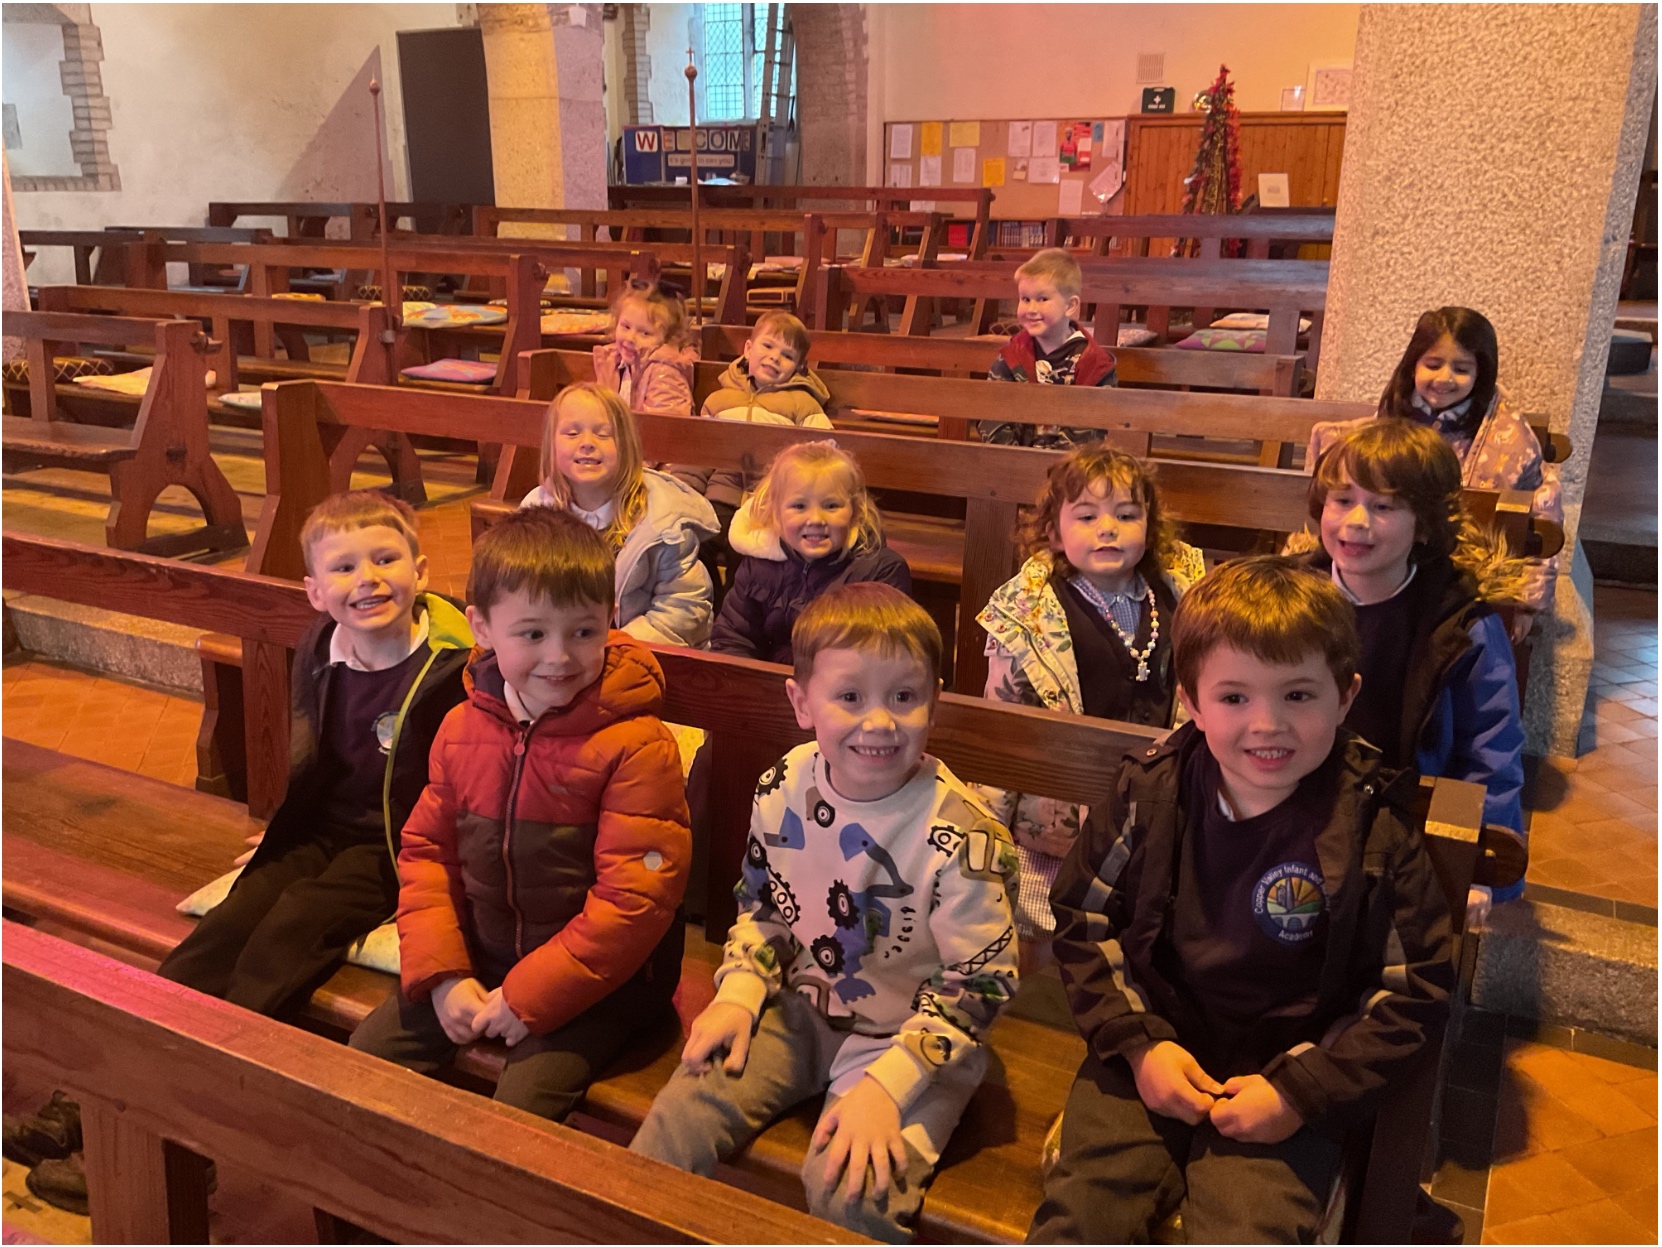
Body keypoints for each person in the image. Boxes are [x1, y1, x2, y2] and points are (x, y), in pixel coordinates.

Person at [1030, 557, 1453, 1245]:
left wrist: (1303, 1091)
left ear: (1344, 696)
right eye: (1234, 698)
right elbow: (1084, 918)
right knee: (1083, 1215)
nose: (1267, 724)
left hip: (1291, 1076)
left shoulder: (1372, 824)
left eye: (1297, 695)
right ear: (1191, 702)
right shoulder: (1150, 795)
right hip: (1152, 1048)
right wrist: (1138, 1045)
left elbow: (1414, 987)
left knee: (1250, 1230)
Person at [630, 583, 1020, 1242]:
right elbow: (764, 902)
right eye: (850, 697)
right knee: (674, 1124)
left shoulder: (963, 835)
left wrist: (887, 1087)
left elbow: (980, 984)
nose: (880, 722)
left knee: (850, 1189)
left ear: (935, 702)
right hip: (804, 1007)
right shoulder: (785, 784)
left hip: (915, 1040)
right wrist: (740, 991)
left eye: (904, 696)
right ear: (802, 702)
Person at [350, 507, 691, 1121]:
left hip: (607, 983)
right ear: (481, 627)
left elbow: (634, 902)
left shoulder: (636, 745)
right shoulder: (461, 728)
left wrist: (528, 997)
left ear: (610, 619)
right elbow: (428, 856)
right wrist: (444, 975)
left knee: (519, 1112)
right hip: (485, 958)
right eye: (532, 634)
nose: (559, 656)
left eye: (583, 632)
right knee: (364, 1065)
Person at [158, 492, 473, 1014]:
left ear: (419, 572)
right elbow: (314, 761)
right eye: (344, 568)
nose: (367, 578)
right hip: (323, 830)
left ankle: (237, 1042)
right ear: (316, 592)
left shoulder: (453, 667)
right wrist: (282, 834)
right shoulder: (321, 648)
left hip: (396, 847)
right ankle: (154, 1020)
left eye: (385, 559)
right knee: (239, 912)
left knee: (297, 920)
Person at [977, 446, 1204, 963]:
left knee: (1141, 911)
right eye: (1086, 517)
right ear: (1055, 533)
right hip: (1059, 803)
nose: (1108, 529)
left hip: (1157, 790)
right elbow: (1004, 723)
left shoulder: (1182, 596)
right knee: (1047, 918)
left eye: (1126, 515)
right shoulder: (1028, 616)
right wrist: (991, 824)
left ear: (1150, 527)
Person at [1302, 418, 1528, 917]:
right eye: (1342, 500)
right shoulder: (1287, 599)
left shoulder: (1461, 626)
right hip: (1297, 808)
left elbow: (1490, 749)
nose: (1356, 521)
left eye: (1383, 506)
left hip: (1407, 828)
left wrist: (1475, 859)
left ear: (1425, 524)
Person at [1306, 306, 1562, 625]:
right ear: (1413, 364)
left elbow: (1540, 515)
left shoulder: (1512, 441)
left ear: (1481, 373)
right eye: (1433, 364)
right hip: (1385, 567)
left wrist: (1523, 606)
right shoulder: (1386, 422)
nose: (1444, 378)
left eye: (1461, 369)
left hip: (1462, 579)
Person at [522, 382, 718, 647]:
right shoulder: (535, 513)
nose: (587, 443)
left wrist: (611, 646)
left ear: (626, 445)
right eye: (572, 433)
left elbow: (683, 609)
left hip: (637, 650)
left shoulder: (664, 521)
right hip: (559, 650)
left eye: (603, 434)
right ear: (551, 444)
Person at [672, 310, 834, 596]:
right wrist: (681, 492)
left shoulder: (804, 405)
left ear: (798, 367)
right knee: (692, 540)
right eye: (767, 346)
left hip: (766, 503)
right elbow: (698, 454)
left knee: (748, 554)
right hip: (720, 496)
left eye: (786, 355)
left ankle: (736, 610)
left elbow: (823, 457)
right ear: (748, 349)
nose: (774, 357)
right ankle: (711, 602)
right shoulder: (719, 400)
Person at [710, 441, 911, 665]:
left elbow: (880, 656)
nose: (815, 519)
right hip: (772, 680)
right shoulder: (758, 565)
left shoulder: (880, 571)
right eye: (799, 506)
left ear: (854, 512)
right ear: (776, 514)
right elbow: (733, 639)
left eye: (831, 506)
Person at [979, 247, 1117, 449]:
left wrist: (1053, 464)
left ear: (1070, 306)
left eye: (1042, 299)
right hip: (1013, 461)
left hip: (1070, 465)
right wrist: (1012, 458)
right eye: (1025, 299)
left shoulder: (1094, 364)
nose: (1031, 309)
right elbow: (992, 415)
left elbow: (1088, 433)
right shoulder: (1012, 355)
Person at [593, 281, 698, 416]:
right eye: (625, 326)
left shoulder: (666, 373)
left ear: (668, 339)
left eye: (645, 333)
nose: (630, 338)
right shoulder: (612, 361)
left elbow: (664, 424)